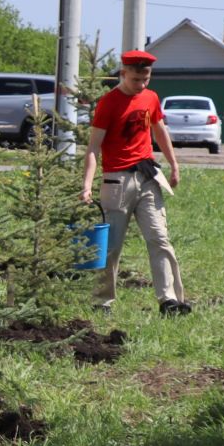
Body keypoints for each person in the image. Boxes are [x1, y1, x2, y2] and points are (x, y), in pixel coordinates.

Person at [79, 49, 190, 315]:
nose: (141, 85)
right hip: (117, 182)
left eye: (146, 79)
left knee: (160, 238)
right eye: (136, 79)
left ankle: (169, 301)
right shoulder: (109, 103)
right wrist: (87, 184)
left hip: (148, 177)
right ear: (123, 73)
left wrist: (174, 165)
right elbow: (94, 147)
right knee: (111, 245)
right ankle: (101, 302)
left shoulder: (151, 98)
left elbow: (159, 130)